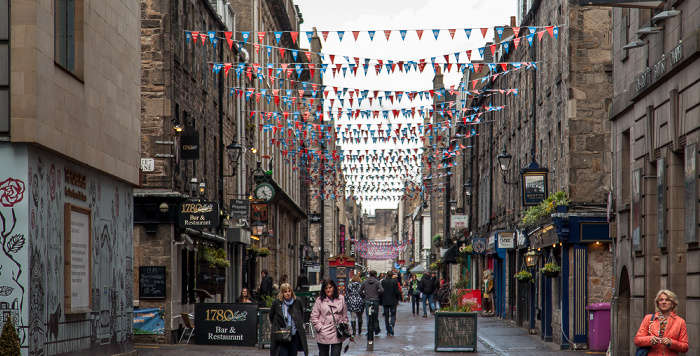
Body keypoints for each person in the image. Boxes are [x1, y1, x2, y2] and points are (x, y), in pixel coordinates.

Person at [634, 289, 688, 356]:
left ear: (673, 304)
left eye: (667, 300)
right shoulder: (649, 318)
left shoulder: (680, 322)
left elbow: (685, 347)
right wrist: (650, 339)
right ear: (658, 303)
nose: (664, 302)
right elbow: (637, 340)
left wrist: (671, 343)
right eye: (661, 300)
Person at [311, 279, 349, 356]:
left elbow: (344, 316)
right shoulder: (319, 300)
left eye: (330, 287)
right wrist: (320, 327)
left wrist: (347, 330)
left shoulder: (341, 298)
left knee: (336, 354)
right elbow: (314, 316)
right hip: (323, 332)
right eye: (326, 288)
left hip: (336, 331)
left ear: (334, 287)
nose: (328, 290)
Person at [269, 283, 309, 356]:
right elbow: (271, 316)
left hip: (294, 335)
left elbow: (301, 315)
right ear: (282, 293)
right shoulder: (276, 303)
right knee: (282, 353)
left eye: (289, 291)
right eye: (285, 292)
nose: (288, 293)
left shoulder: (297, 301)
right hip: (282, 336)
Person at [359, 270, 383, 336]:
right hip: (375, 300)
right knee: (375, 316)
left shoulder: (364, 282)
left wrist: (365, 296)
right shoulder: (377, 282)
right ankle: (376, 329)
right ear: (375, 275)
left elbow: (360, 291)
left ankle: (369, 330)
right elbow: (382, 290)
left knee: (368, 316)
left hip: (367, 300)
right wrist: (377, 294)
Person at [380, 270, 401, 336]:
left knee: (386, 316)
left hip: (385, 300)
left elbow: (381, 291)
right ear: (392, 275)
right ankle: (392, 325)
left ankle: (388, 331)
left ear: (387, 275)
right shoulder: (395, 282)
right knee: (393, 314)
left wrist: (381, 300)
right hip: (393, 300)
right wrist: (398, 297)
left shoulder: (383, 281)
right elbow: (397, 292)